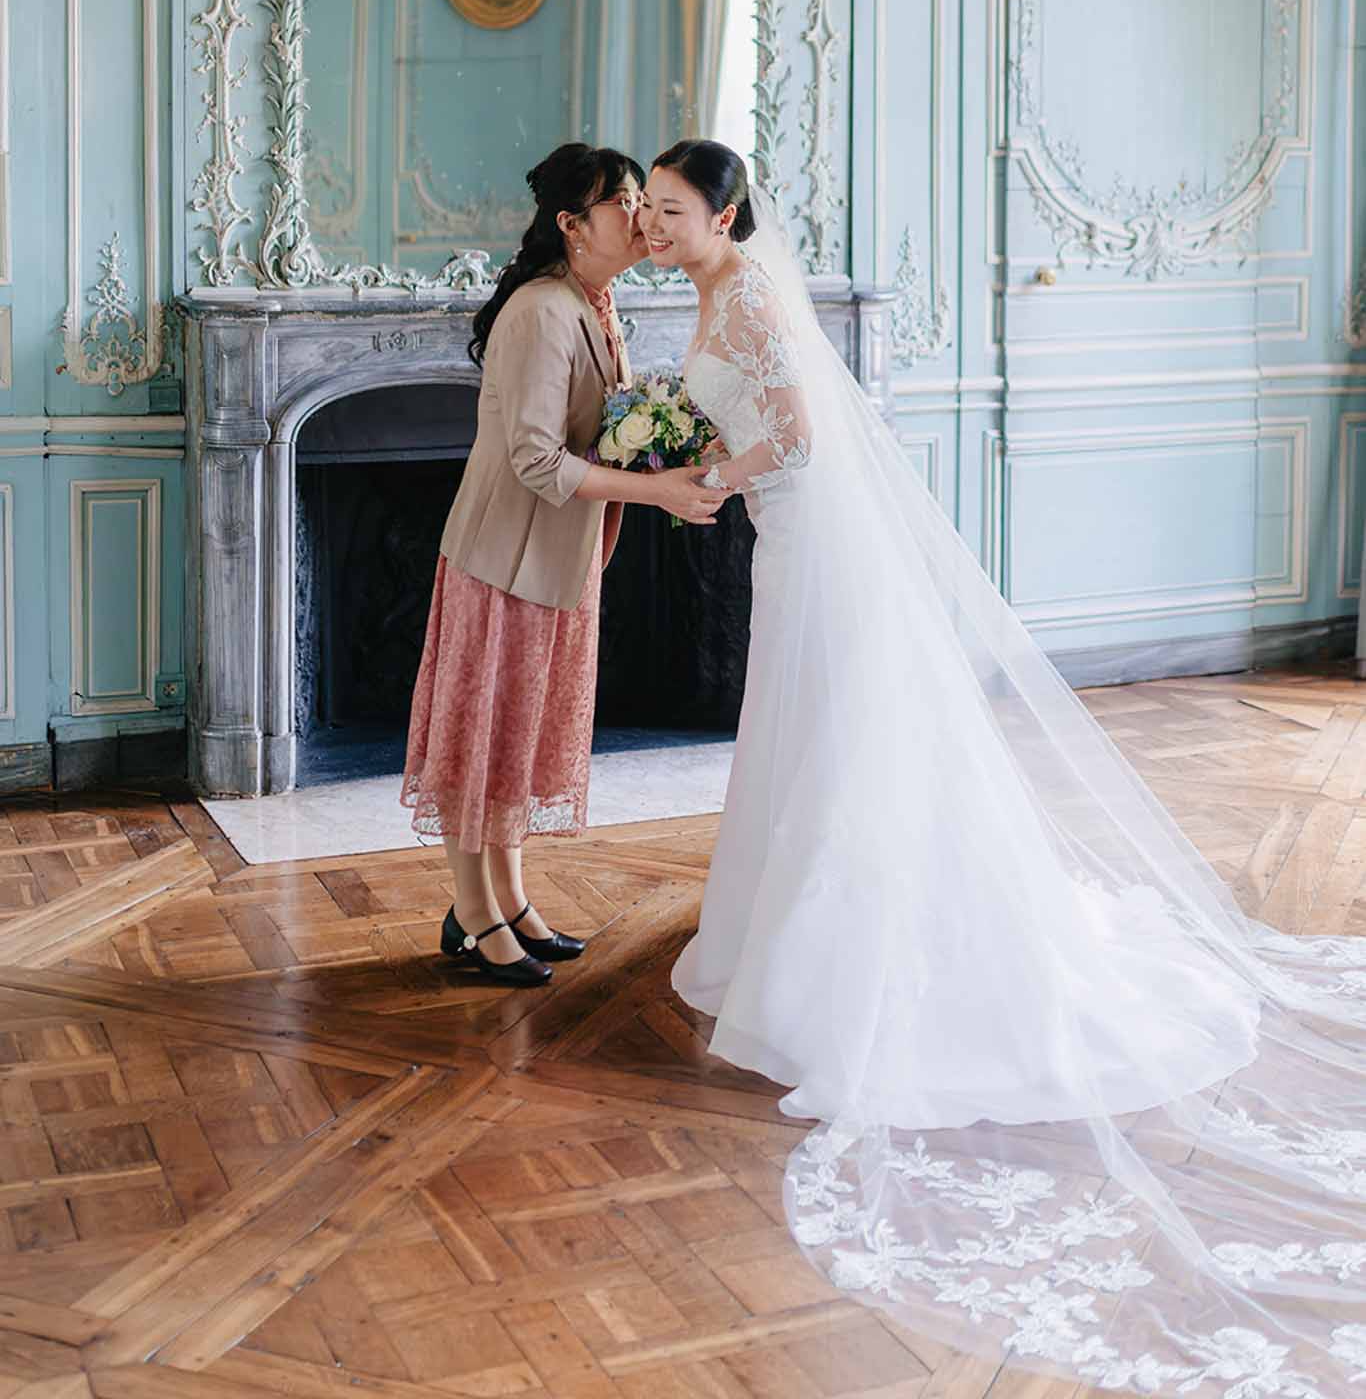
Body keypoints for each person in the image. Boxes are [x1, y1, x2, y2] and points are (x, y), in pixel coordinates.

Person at [638, 136, 1366, 1398]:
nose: (652, 223)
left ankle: (857, 954)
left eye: (670, 207)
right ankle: (784, 924)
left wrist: (706, 478)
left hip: (809, 537)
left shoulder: (749, 286)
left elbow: (800, 430)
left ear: (728, 212)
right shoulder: (708, 288)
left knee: (837, 736)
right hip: (784, 539)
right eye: (643, 208)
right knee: (803, 733)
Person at [400, 142, 726, 987]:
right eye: (622, 202)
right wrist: (658, 493)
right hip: (503, 562)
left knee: (513, 744)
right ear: (572, 226)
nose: (640, 216)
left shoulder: (596, 301)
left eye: (643, 201)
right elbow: (538, 462)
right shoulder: (543, 311)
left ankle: (507, 898)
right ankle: (472, 918)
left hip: (558, 562)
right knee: (482, 744)